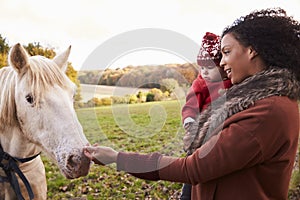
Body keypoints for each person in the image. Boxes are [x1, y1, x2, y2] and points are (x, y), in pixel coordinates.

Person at [84, 8, 300, 199]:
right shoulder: (250, 98)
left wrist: (117, 158)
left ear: (252, 51)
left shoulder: (269, 111)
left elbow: (195, 168)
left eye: (226, 52)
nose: (222, 61)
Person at [180, 32, 232, 199]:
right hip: (201, 135)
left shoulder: (232, 81)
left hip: (222, 133)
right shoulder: (201, 84)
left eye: (210, 68)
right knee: (192, 170)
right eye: (202, 68)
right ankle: (186, 196)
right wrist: (189, 121)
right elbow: (190, 105)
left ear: (221, 65)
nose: (205, 72)